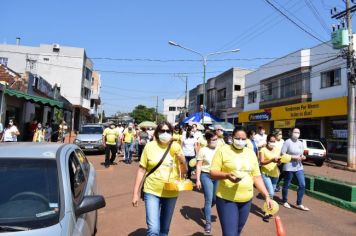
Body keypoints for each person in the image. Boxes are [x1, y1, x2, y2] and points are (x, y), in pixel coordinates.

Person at [210, 128, 272, 236]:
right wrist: (226, 175)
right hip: (227, 199)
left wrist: (267, 196)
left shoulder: (251, 153)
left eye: (243, 139)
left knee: (238, 232)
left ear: (247, 139)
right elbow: (213, 173)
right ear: (232, 137)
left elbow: (256, 177)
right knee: (230, 234)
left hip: (246, 199)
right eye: (237, 138)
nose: (240, 141)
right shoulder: (223, 150)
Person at [132, 121, 187, 236]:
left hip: (171, 192)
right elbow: (141, 170)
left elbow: (184, 172)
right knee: (153, 230)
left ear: (172, 133)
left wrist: (182, 161)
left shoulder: (176, 147)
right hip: (151, 190)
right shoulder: (149, 146)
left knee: (164, 230)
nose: (165, 133)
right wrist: (135, 193)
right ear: (157, 133)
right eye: (162, 131)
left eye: (168, 131)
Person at [196, 130, 219, 234]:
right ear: (208, 140)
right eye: (213, 140)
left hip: (217, 176)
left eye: (216, 139)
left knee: (215, 199)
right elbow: (199, 165)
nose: (216, 141)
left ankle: (204, 210)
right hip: (206, 176)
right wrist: (197, 180)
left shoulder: (220, 149)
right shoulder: (203, 150)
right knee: (209, 199)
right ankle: (208, 223)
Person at [281, 128, 310, 211]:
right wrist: (293, 157)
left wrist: (303, 157)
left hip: (299, 167)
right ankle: (284, 201)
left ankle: (299, 203)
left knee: (302, 184)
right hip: (289, 166)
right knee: (287, 184)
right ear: (291, 133)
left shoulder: (300, 143)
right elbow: (283, 153)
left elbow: (302, 154)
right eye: (295, 132)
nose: (297, 134)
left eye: (298, 132)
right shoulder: (287, 142)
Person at [259, 134, 281, 222]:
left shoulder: (277, 150)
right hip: (266, 173)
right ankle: (267, 212)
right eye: (271, 141)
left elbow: (279, 163)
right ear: (267, 141)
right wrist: (271, 160)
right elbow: (261, 162)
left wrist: (279, 161)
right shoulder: (262, 150)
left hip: (275, 174)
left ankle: (269, 209)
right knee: (270, 193)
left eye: (273, 141)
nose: (272, 143)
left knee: (271, 193)